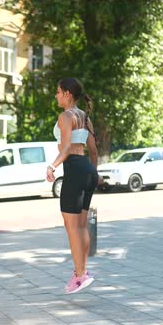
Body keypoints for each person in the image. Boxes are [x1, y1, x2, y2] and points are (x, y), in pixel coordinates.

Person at [46, 78, 101, 294]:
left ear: (68, 94)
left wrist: (52, 166)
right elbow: (94, 151)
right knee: (81, 225)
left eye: (58, 92)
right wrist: (95, 173)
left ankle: (80, 275)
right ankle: (81, 271)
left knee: (72, 227)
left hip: (74, 170)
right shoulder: (85, 117)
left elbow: (67, 147)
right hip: (87, 169)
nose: (56, 95)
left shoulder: (66, 116)